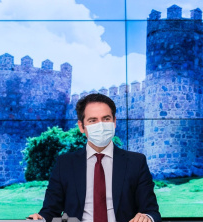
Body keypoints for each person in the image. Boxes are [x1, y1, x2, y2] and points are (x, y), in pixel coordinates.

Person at [29, 93, 161, 222]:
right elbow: (50, 211)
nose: (101, 125)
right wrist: (40, 219)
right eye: (93, 120)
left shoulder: (136, 162)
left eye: (106, 119)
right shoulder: (65, 163)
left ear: (114, 122)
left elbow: (152, 212)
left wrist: (147, 218)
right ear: (81, 126)